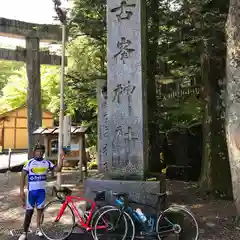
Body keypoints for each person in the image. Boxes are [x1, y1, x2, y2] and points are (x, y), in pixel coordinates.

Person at [18, 144, 65, 240]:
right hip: (31, 192)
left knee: (40, 211)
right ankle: (24, 233)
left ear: (43, 152)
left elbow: (58, 169)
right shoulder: (29, 162)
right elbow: (22, 176)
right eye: (37, 151)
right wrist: (21, 191)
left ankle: (39, 229)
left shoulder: (46, 162)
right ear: (34, 152)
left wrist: (61, 158)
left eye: (41, 151)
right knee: (29, 212)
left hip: (41, 193)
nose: (39, 153)